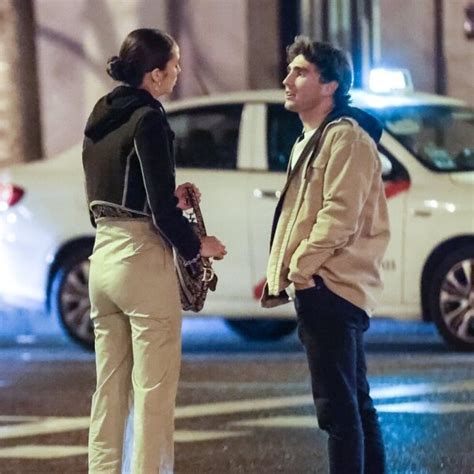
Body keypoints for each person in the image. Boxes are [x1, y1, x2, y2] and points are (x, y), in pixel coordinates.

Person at [82, 28, 226, 474]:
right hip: (141, 263)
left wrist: (167, 198)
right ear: (154, 74)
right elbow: (162, 216)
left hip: (102, 256)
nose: (178, 73)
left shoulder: (101, 113)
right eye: (174, 65)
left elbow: (123, 195)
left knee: (109, 390)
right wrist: (199, 244)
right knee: (153, 392)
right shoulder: (150, 117)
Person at [261, 36, 390, 474]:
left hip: (331, 285)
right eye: (290, 71)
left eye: (301, 72)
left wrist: (301, 269)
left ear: (331, 85)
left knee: (339, 411)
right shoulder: (309, 138)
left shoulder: (346, 138)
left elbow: (340, 214)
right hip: (324, 285)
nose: (288, 80)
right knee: (355, 402)